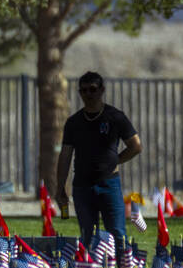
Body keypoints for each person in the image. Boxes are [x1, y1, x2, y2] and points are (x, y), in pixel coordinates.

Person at [55, 71, 143, 257]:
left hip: (109, 184)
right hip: (82, 186)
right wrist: (60, 187)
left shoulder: (115, 117)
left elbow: (136, 146)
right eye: (84, 90)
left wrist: (115, 161)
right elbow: (65, 156)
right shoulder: (74, 122)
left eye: (93, 89)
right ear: (80, 93)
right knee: (88, 236)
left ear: (101, 90)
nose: (89, 94)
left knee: (118, 235)